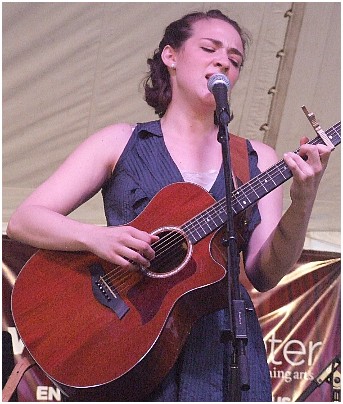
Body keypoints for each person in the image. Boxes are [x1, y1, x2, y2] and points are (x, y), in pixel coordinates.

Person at [7, 9, 332, 402]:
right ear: (170, 56)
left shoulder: (256, 158)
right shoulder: (119, 142)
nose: (223, 61)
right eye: (210, 48)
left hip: (222, 351)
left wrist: (304, 199)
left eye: (235, 59)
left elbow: (264, 273)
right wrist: (96, 237)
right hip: (125, 342)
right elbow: (25, 220)